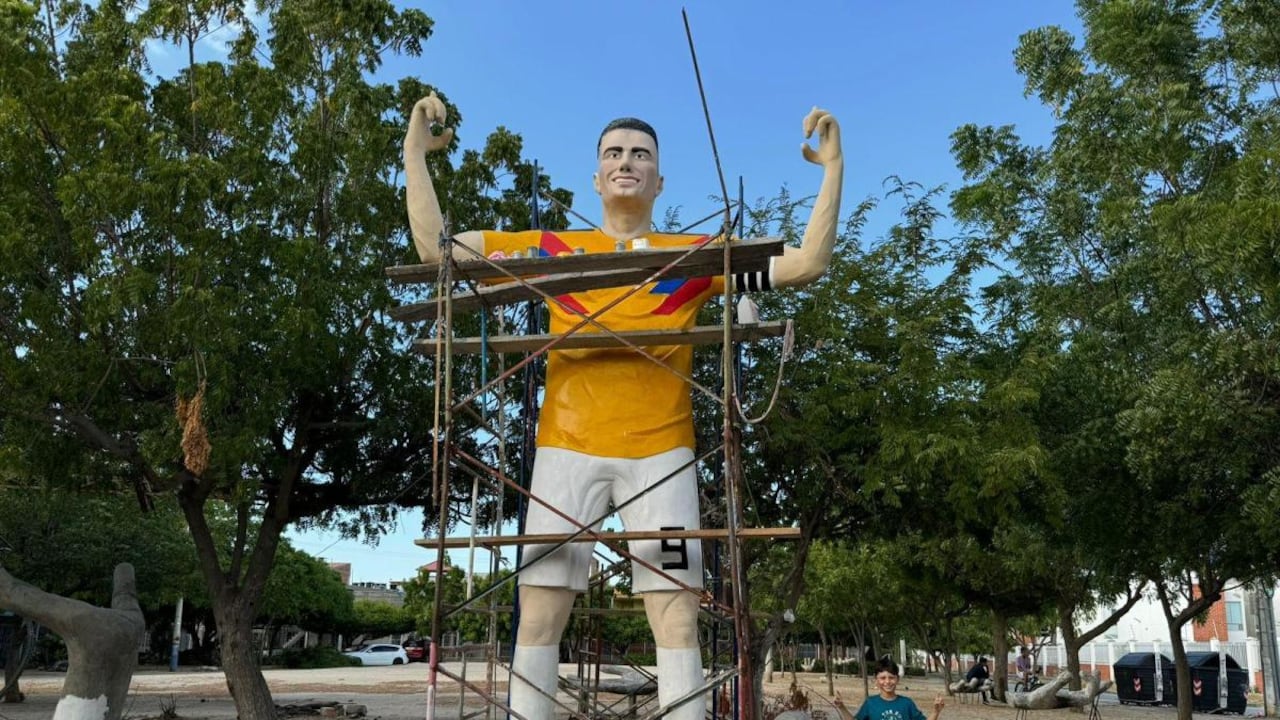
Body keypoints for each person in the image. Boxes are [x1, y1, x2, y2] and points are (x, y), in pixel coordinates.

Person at [404, 92, 843, 720]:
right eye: (613, 153)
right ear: (596, 176)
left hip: (662, 456)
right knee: (541, 606)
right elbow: (438, 252)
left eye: (640, 154)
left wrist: (832, 169)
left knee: (675, 613)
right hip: (565, 451)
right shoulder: (551, 249)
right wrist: (413, 155)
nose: (626, 162)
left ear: (659, 178)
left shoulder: (696, 258)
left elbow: (805, 264)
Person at [834, 659, 945, 720]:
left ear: (897, 679)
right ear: (876, 680)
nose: (887, 682)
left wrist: (936, 711)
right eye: (882, 678)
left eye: (891, 677)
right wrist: (842, 707)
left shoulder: (907, 703)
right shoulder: (870, 703)